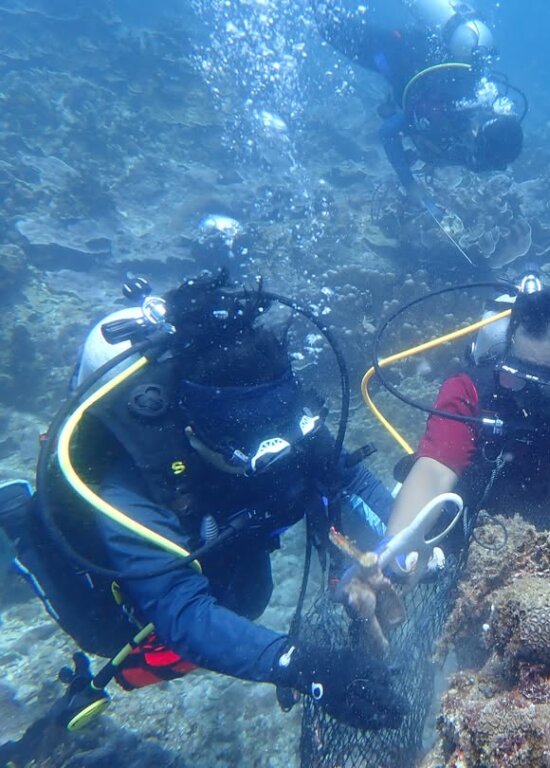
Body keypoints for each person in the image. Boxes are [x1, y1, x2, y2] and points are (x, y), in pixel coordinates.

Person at [0, 272, 405, 759]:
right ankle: (19, 515)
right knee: (105, 635)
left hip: (220, 529)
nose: (279, 454)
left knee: (249, 599)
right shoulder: (129, 470)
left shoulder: (281, 413)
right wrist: (303, 665)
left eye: (284, 433)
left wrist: (407, 543)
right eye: (258, 448)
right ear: (196, 429)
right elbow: (181, 611)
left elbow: (351, 480)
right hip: (114, 569)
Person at [360, 287, 550, 589]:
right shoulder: (470, 390)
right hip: (471, 551)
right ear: (506, 352)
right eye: (516, 378)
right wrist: (394, 553)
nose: (530, 401)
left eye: (548, 390)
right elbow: (434, 468)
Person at [313, 0, 524, 211]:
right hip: (395, 53)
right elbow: (388, 132)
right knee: (329, 27)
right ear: (478, 133)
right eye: (480, 155)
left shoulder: (482, 109)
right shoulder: (446, 108)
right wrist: (410, 184)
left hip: (422, 53)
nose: (479, 162)